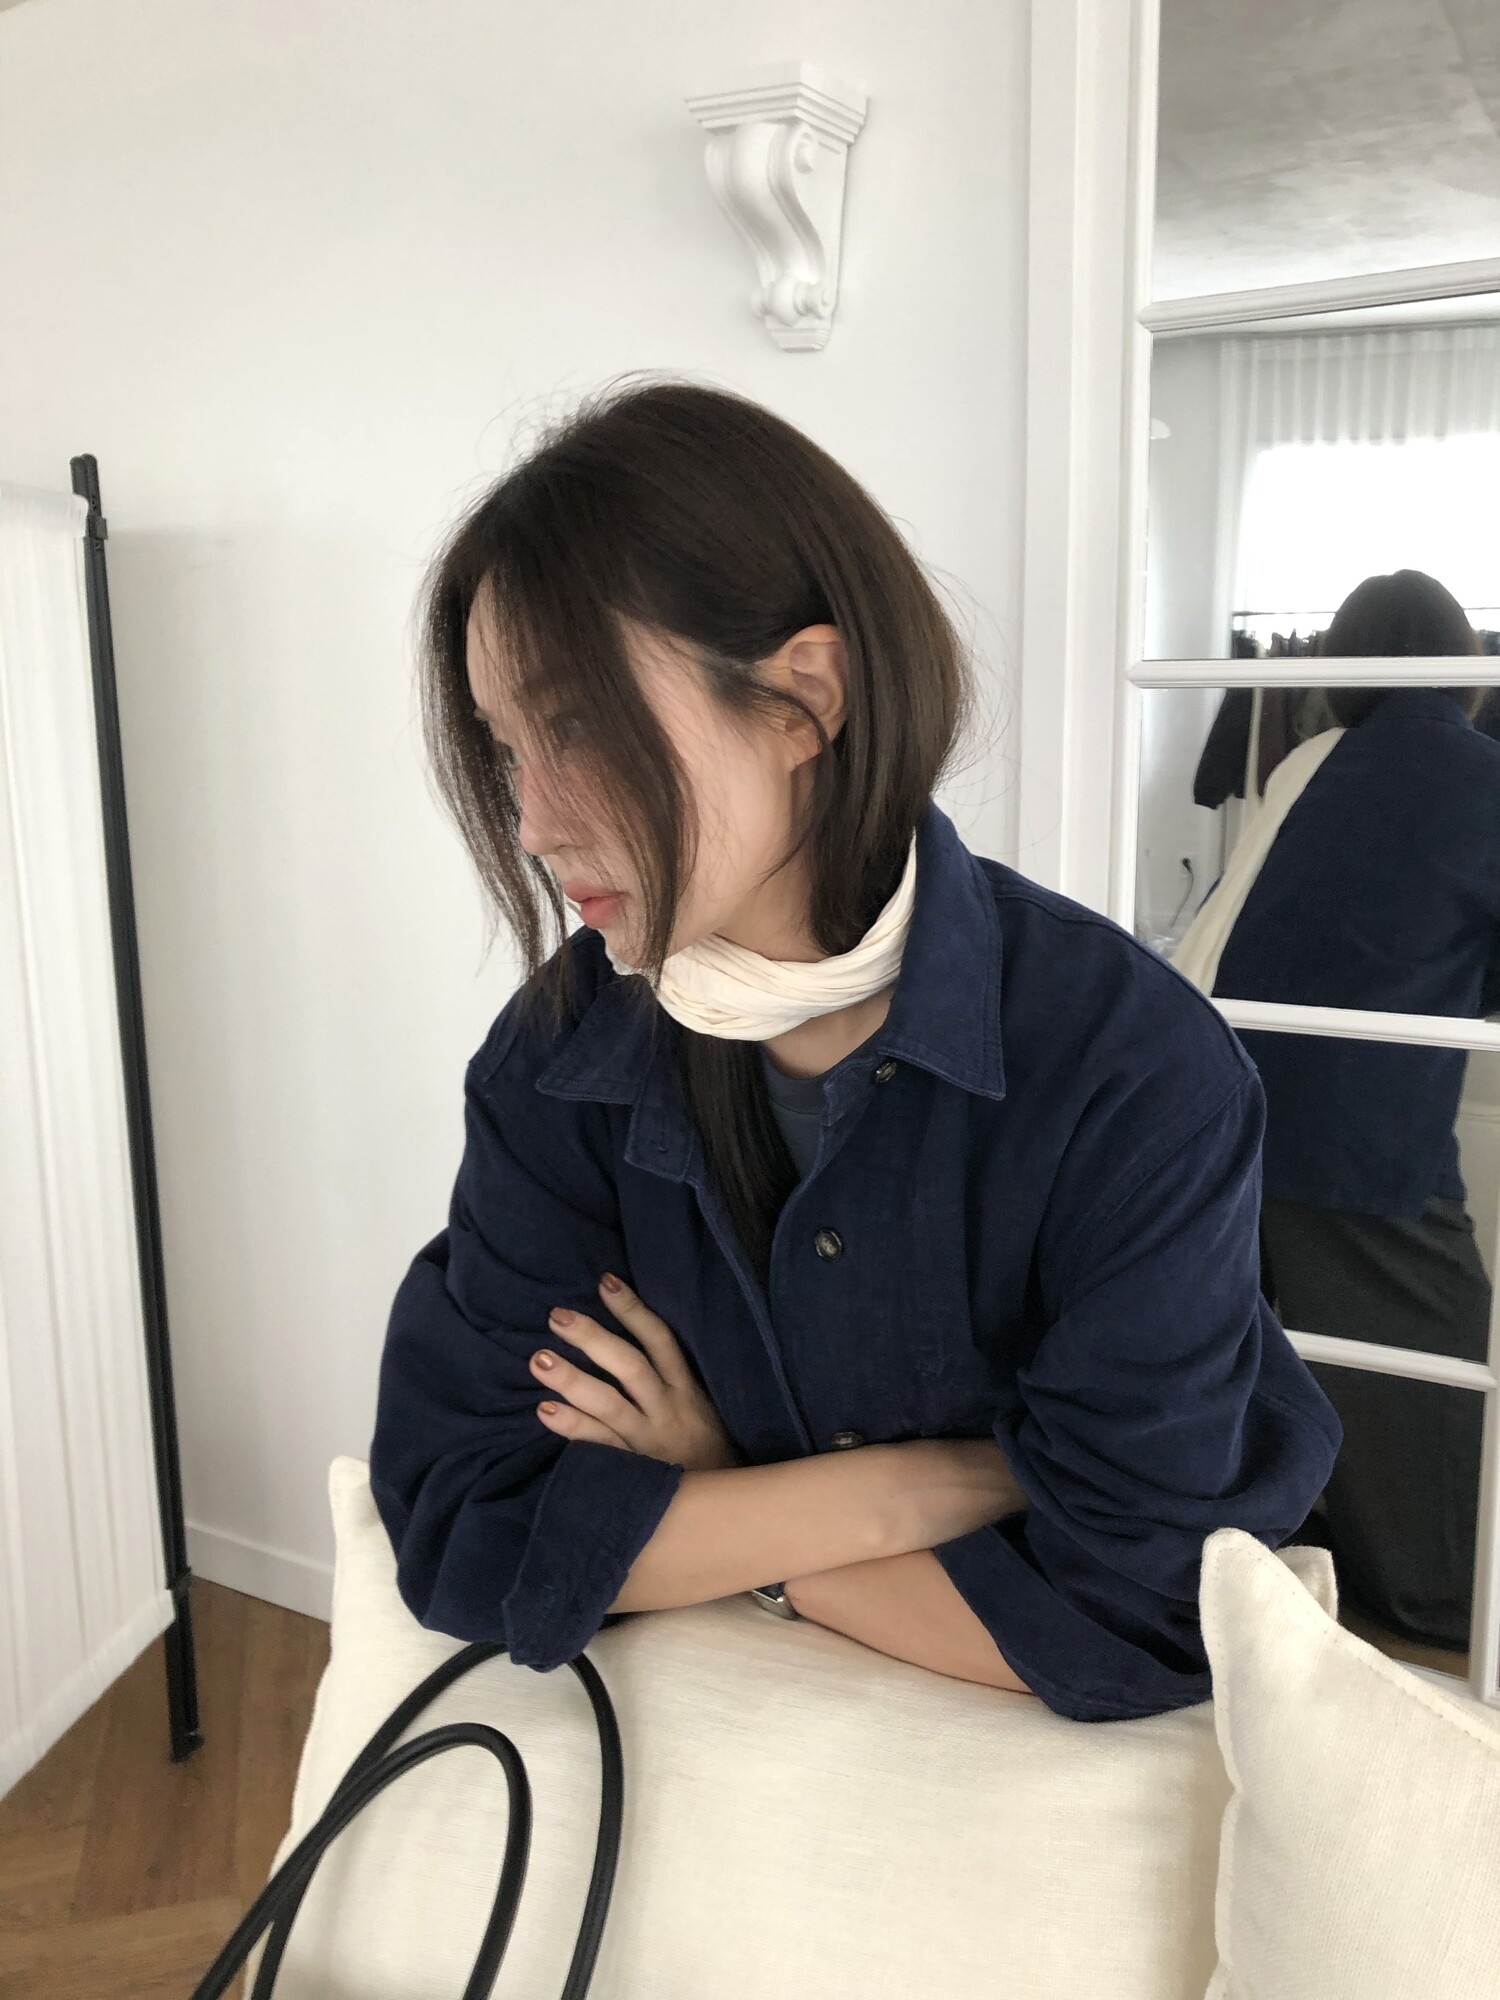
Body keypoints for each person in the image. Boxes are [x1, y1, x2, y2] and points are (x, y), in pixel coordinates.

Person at [367, 375, 1341, 1724]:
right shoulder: (557, 1060)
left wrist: (721, 1505)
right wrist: (936, 1483)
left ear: (801, 697)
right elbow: (470, 1527)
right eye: (507, 747)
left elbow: (1138, 1612)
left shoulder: (1131, 1073)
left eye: (575, 723)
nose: (531, 822)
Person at [1201, 570, 1498, 1652]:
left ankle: (1303, 1543)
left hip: (1223, 1103)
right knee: (1429, 1357)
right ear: (1465, 667)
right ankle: (1438, 1598)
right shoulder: (1482, 775)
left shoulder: (1308, 761)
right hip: (1357, 1131)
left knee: (1277, 1347)